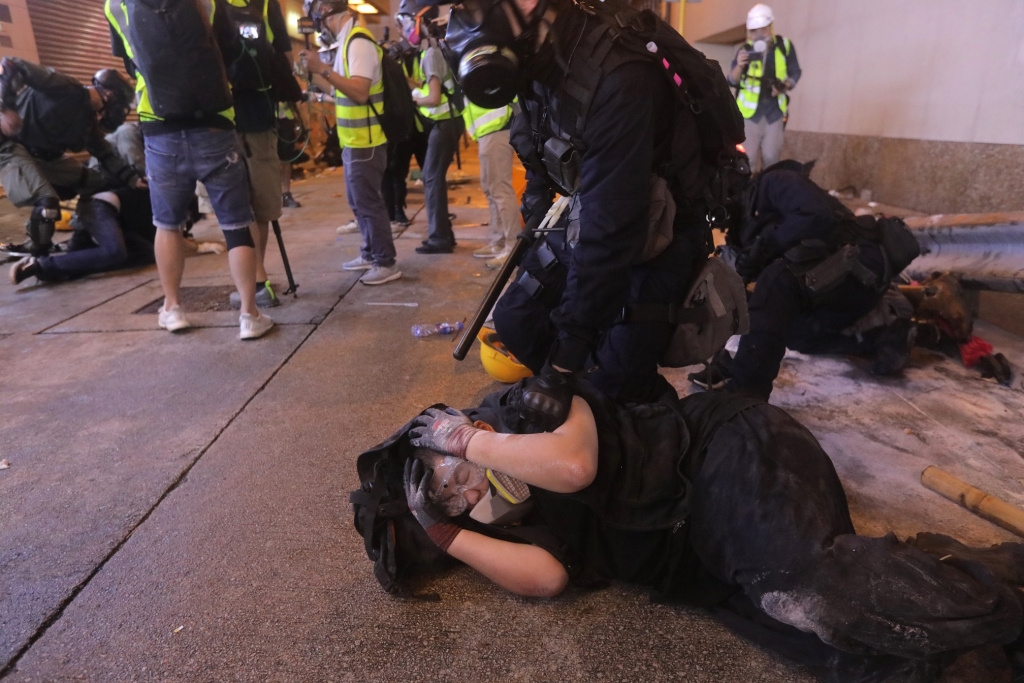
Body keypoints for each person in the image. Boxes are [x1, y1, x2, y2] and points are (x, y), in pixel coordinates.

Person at [357, 375, 1024, 681]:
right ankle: (956, 571)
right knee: (858, 656)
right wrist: (448, 534)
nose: (466, 492)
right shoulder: (503, 521)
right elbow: (548, 578)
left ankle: (1001, 595)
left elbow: (575, 465)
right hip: (703, 559)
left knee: (814, 593)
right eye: (450, 502)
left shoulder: (523, 408)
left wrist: (471, 443)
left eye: (450, 475)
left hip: (729, 456)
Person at [440, 0, 738, 403]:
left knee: (611, 385)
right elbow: (537, 145)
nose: (465, 19)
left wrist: (564, 364)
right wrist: (537, 226)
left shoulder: (619, 74)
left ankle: (645, 414)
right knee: (518, 322)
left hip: (662, 228)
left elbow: (610, 231)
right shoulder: (538, 55)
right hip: (597, 205)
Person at [106, 0, 275, 339]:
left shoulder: (117, 5)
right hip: (215, 123)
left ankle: (173, 308)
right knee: (237, 223)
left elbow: (130, 62)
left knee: (167, 224)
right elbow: (232, 50)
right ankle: (249, 315)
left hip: (160, 126)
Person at [692, 161, 920, 399]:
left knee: (777, 281)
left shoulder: (774, 182)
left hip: (859, 267)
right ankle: (885, 335)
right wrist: (727, 356)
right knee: (792, 330)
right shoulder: (744, 224)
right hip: (840, 287)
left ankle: (746, 393)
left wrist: (766, 247)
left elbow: (816, 214)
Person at [300, 0, 403, 285]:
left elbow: (359, 92)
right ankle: (370, 252)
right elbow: (338, 90)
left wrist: (323, 68)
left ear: (328, 14)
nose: (320, 27)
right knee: (358, 202)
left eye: (319, 19)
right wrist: (314, 72)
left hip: (366, 140)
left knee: (368, 203)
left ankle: (385, 261)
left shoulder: (358, 43)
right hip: (353, 140)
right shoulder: (348, 43)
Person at [0, 59, 141, 257]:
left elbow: (105, 153)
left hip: (46, 157)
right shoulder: (66, 88)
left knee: (98, 183)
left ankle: (83, 234)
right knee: (47, 204)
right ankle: (38, 253)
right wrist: (6, 108)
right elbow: (12, 65)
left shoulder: (87, 121)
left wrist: (134, 179)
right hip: (11, 147)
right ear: (110, 95)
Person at [223, 0, 302, 310]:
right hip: (258, 115)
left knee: (232, 206)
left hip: (218, 119)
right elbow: (284, 58)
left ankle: (252, 283)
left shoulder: (208, 5)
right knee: (260, 204)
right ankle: (257, 282)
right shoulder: (267, 3)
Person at [8, 187, 219, 285]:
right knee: (115, 252)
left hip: (111, 220)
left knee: (148, 253)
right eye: (187, 218)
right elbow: (169, 235)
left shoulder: (168, 207)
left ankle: (63, 268)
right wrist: (199, 247)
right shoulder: (164, 201)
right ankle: (40, 266)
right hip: (99, 208)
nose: (184, 224)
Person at [396, 1, 466, 255]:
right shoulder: (434, 50)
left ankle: (440, 238)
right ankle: (444, 233)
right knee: (432, 177)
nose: (403, 30)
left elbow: (434, 98)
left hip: (444, 123)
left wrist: (412, 99)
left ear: (421, 22)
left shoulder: (431, 54)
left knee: (431, 178)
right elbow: (433, 88)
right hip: (447, 122)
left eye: (405, 23)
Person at [728, 4, 801, 172]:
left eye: (763, 30)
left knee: (771, 158)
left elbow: (795, 71)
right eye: (754, 31)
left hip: (774, 113)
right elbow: (731, 80)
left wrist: (784, 86)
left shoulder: (784, 46)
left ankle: (767, 187)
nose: (759, 35)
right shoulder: (744, 50)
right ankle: (746, 188)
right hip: (748, 115)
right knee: (747, 160)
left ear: (771, 27)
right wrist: (739, 65)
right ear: (749, 32)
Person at [463, 99, 518, 268]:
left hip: (498, 127)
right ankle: (499, 242)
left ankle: (512, 248)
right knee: (491, 188)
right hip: (488, 130)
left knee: (500, 190)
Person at [381, 36, 428, 231]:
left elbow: (424, 87)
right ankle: (397, 210)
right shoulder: (389, 61)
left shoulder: (423, 57)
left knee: (430, 172)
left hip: (422, 123)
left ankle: (437, 212)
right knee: (397, 171)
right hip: (402, 125)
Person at [278, 105, 303, 209]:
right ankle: (274, 195)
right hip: (266, 121)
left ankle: (286, 194)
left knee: (286, 159)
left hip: (285, 120)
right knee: (270, 161)